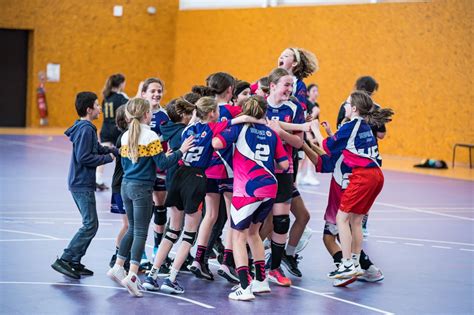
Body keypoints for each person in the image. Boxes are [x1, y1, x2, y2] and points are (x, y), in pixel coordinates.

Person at [143, 96, 260, 294]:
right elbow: (237, 120)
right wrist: (259, 120)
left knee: (172, 230)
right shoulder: (214, 127)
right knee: (189, 234)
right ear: (213, 113)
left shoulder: (188, 129)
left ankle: (152, 275)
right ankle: (171, 278)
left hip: (178, 177)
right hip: (196, 178)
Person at [106, 98, 194, 297]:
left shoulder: (127, 135)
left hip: (126, 187)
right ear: (147, 114)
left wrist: (168, 155)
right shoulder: (151, 136)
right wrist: (182, 150)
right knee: (140, 232)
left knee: (132, 228)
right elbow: (162, 163)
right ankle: (133, 275)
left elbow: (144, 160)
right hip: (141, 188)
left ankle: (119, 266)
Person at [213, 95, 289, 300]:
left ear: (243, 111)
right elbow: (284, 165)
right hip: (270, 187)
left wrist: (230, 122)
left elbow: (217, 143)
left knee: (237, 235)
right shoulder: (271, 133)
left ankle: (244, 287)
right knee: (253, 233)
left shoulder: (239, 128)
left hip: (247, 189)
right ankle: (261, 281)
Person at [314, 91, 393, 279]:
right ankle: (356, 262)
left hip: (362, 176)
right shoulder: (366, 125)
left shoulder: (351, 125)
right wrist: (332, 134)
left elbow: (325, 147)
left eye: (347, 103)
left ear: (355, 108)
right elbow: (347, 145)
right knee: (356, 220)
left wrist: (314, 128)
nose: (345, 106)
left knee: (342, 219)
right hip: (377, 176)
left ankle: (347, 263)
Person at [51, 91, 117, 279]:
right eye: (97, 105)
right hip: (81, 184)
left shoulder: (86, 127)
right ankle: (65, 259)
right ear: (89, 109)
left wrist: (114, 150)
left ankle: (74, 261)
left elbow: (95, 148)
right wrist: (108, 157)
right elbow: (84, 157)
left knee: (90, 224)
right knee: (90, 225)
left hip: (80, 183)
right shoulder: (86, 129)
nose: (100, 109)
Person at [189, 73, 242, 283]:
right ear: (230, 90)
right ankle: (227, 262)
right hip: (227, 170)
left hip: (207, 170)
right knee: (231, 217)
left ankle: (198, 259)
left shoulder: (202, 110)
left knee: (210, 215)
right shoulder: (232, 110)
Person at [263, 68, 305, 286]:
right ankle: (243, 262)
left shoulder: (294, 108)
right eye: (286, 85)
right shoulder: (259, 104)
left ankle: (275, 268)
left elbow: (299, 142)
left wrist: (281, 133)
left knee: (281, 220)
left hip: (284, 171)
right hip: (259, 170)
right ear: (273, 86)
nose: (290, 89)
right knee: (256, 220)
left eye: (292, 85)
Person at [336, 76, 387, 237]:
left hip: (350, 154)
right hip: (370, 157)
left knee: (348, 189)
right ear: (373, 90)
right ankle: (360, 223)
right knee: (364, 195)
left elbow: (340, 128)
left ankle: (346, 221)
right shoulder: (375, 107)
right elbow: (381, 134)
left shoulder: (346, 105)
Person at [139, 77, 170, 270]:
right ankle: (140, 251)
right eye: (152, 91)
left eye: (159, 91)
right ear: (144, 94)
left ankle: (158, 248)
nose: (157, 94)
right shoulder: (137, 115)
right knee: (142, 212)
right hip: (142, 170)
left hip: (160, 169)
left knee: (160, 207)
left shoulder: (165, 116)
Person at [96, 74, 128, 191]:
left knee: (103, 156)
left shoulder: (106, 97)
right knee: (120, 154)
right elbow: (130, 106)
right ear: (120, 84)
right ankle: (121, 179)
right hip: (116, 130)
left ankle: (97, 179)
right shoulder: (120, 97)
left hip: (105, 129)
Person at [108, 105, 130, 270]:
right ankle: (117, 255)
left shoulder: (128, 136)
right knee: (128, 225)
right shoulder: (124, 137)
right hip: (120, 185)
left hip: (123, 184)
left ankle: (122, 255)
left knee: (130, 224)